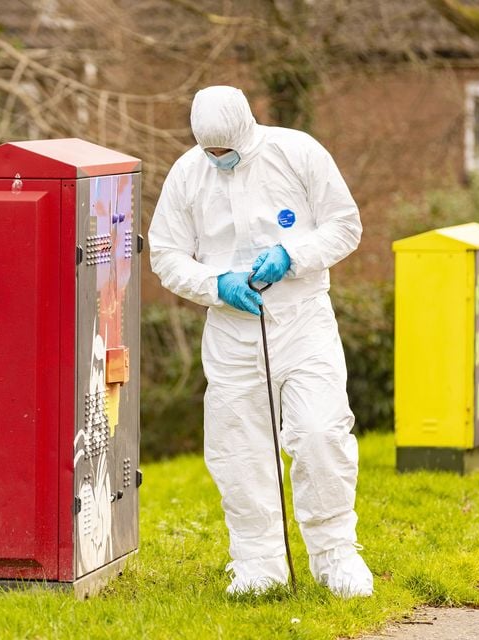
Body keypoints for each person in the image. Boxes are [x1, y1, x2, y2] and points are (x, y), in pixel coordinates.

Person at [149, 86, 372, 598]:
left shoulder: (298, 153)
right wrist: (215, 285)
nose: (221, 162)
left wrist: (292, 256)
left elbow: (345, 226)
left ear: (248, 130)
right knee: (239, 449)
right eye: (213, 153)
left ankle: (336, 553)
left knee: (320, 433)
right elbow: (166, 253)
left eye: (229, 153)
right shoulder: (187, 174)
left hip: (303, 321)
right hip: (232, 332)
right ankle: (258, 562)